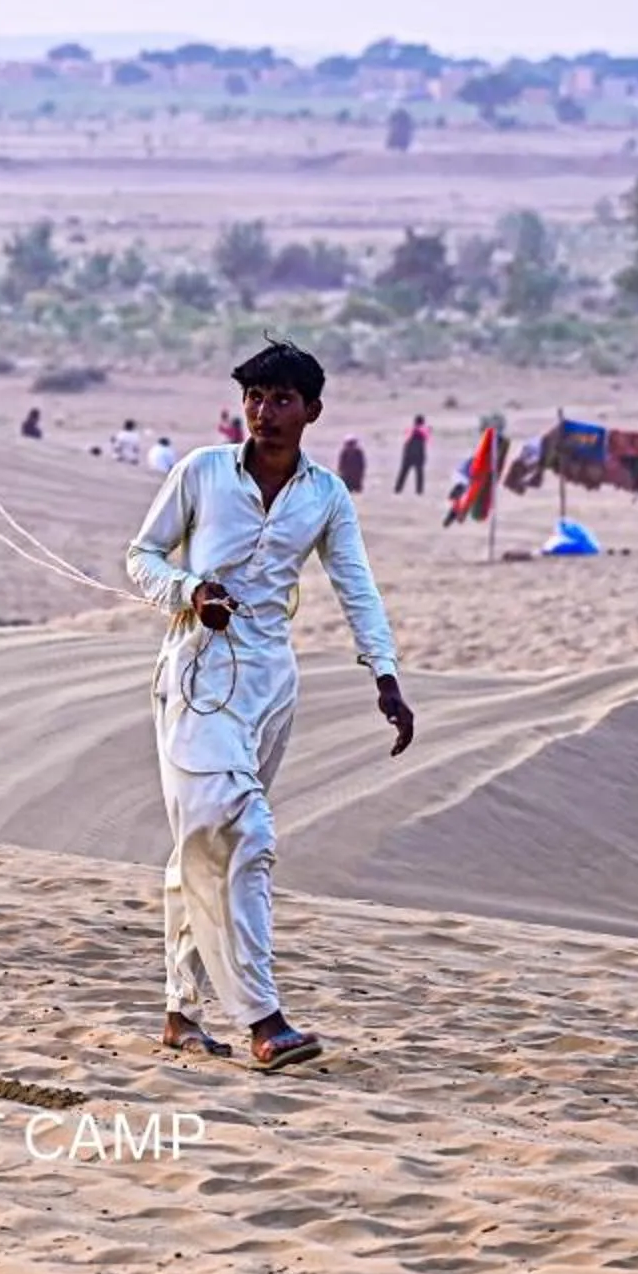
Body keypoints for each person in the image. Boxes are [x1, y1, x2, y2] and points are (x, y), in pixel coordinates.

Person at [127, 339, 414, 1072]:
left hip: (270, 686)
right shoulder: (200, 472)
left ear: (311, 411)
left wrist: (384, 674)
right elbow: (143, 556)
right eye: (255, 397)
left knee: (204, 842)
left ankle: (180, 1012)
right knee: (246, 833)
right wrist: (190, 591)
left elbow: (356, 584)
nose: (265, 412)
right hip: (195, 677)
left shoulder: (324, 495)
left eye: (282, 399)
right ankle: (264, 1017)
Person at [393, 414, 429, 496]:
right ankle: (419, 491)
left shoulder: (410, 430)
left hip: (408, 454)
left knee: (403, 472)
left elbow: (406, 440)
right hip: (419, 454)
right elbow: (427, 439)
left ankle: (398, 489)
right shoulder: (424, 431)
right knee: (419, 474)